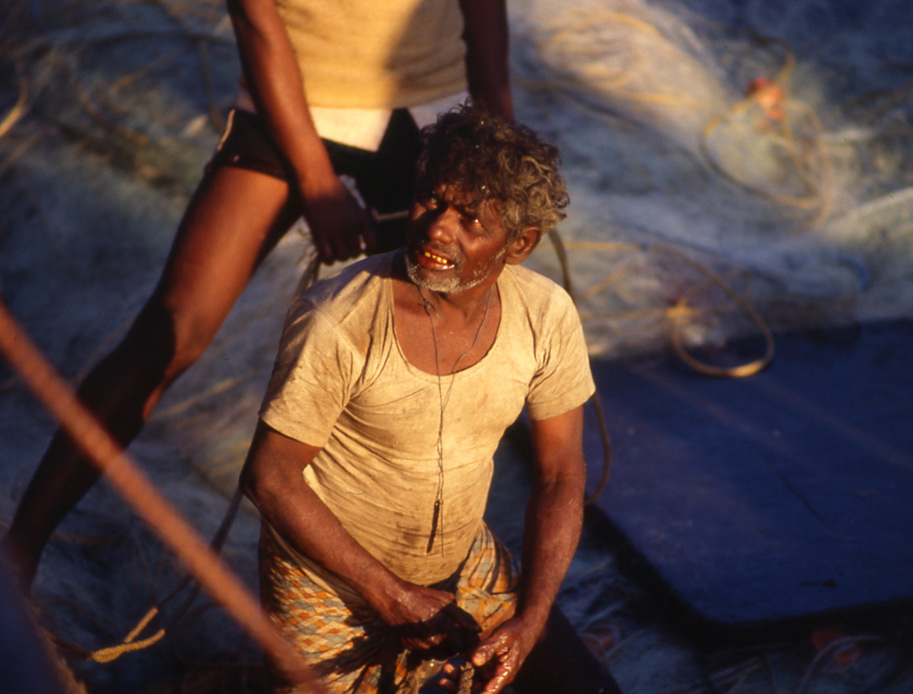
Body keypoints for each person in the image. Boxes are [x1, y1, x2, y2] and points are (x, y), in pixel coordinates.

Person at [3, 0, 513, 588]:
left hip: (431, 115)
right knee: (171, 333)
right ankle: (20, 554)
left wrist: (500, 137)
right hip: (287, 106)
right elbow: (256, 22)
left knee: (441, 352)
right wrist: (317, 181)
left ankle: (441, 581)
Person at [240, 103, 621, 694]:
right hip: (328, 584)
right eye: (431, 201)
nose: (438, 227)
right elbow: (270, 475)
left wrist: (532, 616)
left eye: (470, 219)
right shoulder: (338, 319)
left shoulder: (545, 315)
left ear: (518, 244)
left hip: (459, 564)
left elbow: (559, 474)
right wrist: (390, 594)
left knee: (581, 686)